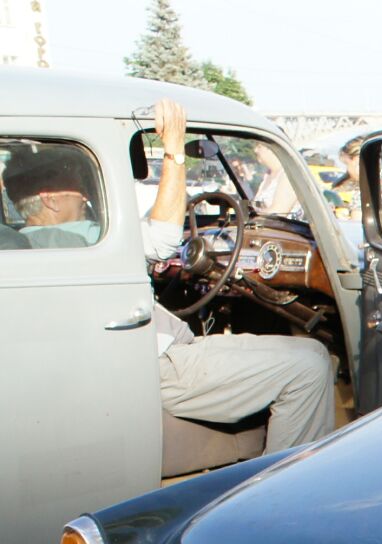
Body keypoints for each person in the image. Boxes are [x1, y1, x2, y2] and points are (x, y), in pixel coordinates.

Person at [19, 99, 331, 453]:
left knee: (304, 351)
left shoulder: (46, 241)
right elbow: (165, 237)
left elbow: (150, 240)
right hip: (158, 362)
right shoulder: (71, 239)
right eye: (79, 184)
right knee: (309, 363)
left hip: (146, 353)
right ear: (50, 199)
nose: (88, 194)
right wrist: (173, 152)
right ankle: (284, 491)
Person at [332, 135, 363, 219]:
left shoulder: (364, 192)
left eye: (347, 164)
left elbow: (356, 227)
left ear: (356, 160)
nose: (348, 170)